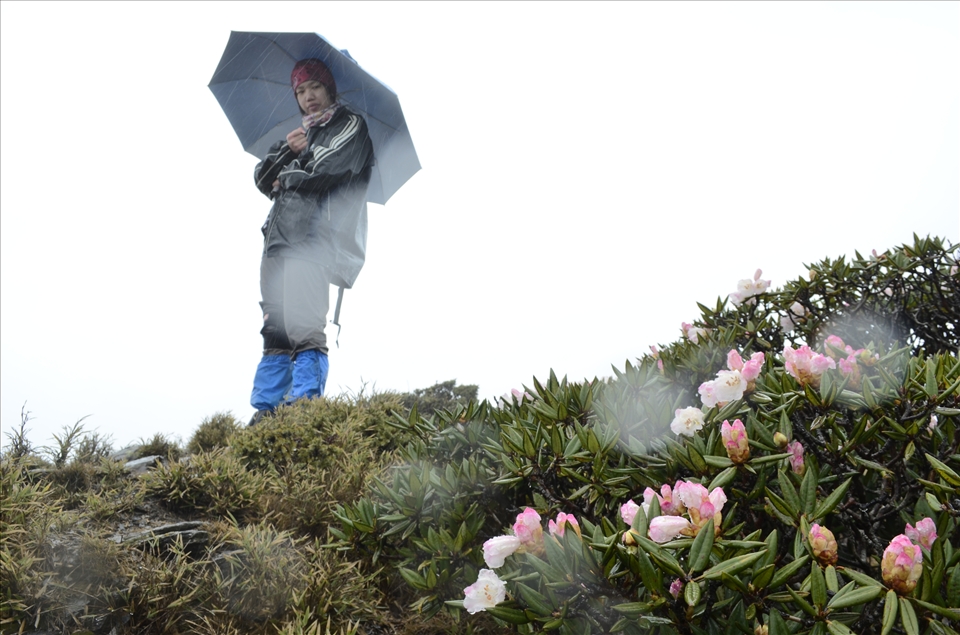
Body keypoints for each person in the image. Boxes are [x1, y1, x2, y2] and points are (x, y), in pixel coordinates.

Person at [248, 58, 375, 426]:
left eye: (315, 87)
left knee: (304, 324)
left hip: (314, 239)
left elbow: (325, 167)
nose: (308, 97)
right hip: (277, 239)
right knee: (275, 327)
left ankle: (305, 404)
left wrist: (288, 173)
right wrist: (288, 152)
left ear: (329, 88)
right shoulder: (302, 134)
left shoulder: (349, 125)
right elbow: (262, 178)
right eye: (301, 91)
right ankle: (268, 409)